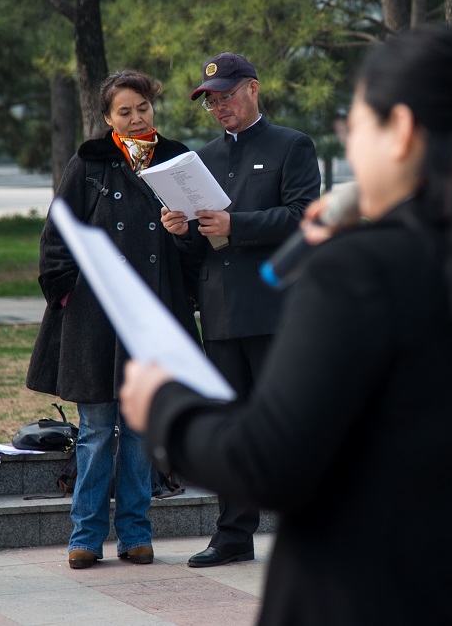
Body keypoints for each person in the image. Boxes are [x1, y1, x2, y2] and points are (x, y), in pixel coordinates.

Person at [124, 24, 452, 623]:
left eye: (355, 124)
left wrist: (164, 407)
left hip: (370, 596)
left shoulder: (360, 272)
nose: (349, 139)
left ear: (402, 132)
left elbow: (268, 461)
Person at [26, 69, 199, 570]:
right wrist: (66, 293)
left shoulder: (177, 161)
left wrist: (183, 234)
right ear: (107, 117)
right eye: (125, 111)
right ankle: (85, 537)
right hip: (95, 316)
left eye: (143, 107)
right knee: (98, 429)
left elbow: (198, 240)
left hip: (153, 312)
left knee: (141, 429)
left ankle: (136, 534)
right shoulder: (89, 162)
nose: (136, 117)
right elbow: (57, 232)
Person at [159, 51, 321, 568]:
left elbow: (304, 218)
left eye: (226, 96)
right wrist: (180, 231)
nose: (219, 107)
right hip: (221, 312)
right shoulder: (200, 159)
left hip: (274, 310)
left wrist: (237, 225)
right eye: (210, 102)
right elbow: (200, 245)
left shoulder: (291, 145)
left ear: (253, 88)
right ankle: (233, 534)